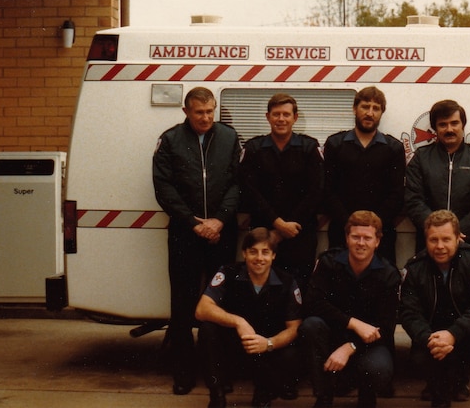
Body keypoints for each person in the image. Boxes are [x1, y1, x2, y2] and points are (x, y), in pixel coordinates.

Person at [152, 86, 242, 396]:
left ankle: (220, 373)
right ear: (186, 112)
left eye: (209, 111)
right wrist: (193, 223)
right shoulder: (171, 140)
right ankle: (184, 373)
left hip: (222, 233)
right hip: (184, 234)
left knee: (222, 304)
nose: (205, 118)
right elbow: (163, 187)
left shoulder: (229, 138)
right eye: (198, 112)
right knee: (183, 305)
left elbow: (236, 183)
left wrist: (219, 219)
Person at [299, 210, 400, 408]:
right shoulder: (328, 263)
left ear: (377, 241)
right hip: (332, 335)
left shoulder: (389, 274)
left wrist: (350, 347)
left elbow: (386, 328)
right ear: (347, 238)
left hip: (368, 343)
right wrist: (352, 322)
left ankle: (367, 394)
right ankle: (324, 395)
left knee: (379, 369)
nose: (361, 243)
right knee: (310, 326)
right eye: (355, 237)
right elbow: (312, 303)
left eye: (367, 238)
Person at [399, 210, 470, 408]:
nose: (440, 246)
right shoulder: (414, 268)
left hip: (464, 335)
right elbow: (408, 313)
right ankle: (439, 394)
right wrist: (431, 339)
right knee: (419, 360)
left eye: (446, 239)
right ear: (426, 240)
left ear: (457, 238)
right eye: (433, 240)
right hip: (432, 339)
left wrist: (453, 334)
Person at [195, 227, 302, 408]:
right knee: (207, 330)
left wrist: (269, 344)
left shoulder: (287, 281)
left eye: (265, 252)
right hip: (236, 345)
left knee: (291, 353)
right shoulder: (228, 272)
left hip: (266, 348)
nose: (259, 258)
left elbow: (294, 328)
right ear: (244, 253)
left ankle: (263, 394)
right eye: (253, 252)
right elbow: (201, 310)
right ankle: (217, 396)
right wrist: (239, 322)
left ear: (273, 256)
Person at [240, 93, 323, 291]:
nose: (281, 119)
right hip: (264, 232)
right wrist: (277, 224)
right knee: (263, 287)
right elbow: (249, 191)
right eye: (276, 114)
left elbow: (316, 191)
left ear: (295, 117)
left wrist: (285, 229)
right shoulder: (254, 148)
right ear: (267, 116)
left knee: (299, 288)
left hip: (300, 233)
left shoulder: (309, 147)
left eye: (286, 114)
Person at [323, 86, 406, 263]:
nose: (370, 113)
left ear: (381, 113)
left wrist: (373, 226)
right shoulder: (335, 144)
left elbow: (397, 193)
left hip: (381, 234)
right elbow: (327, 190)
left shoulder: (394, 148)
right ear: (354, 108)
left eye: (376, 108)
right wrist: (349, 224)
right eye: (365, 106)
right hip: (342, 231)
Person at [405, 99, 470, 251]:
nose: (449, 129)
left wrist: (458, 233)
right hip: (429, 241)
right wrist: (437, 232)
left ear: (462, 125)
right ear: (435, 128)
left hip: (466, 241)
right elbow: (413, 200)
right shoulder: (421, 158)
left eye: (454, 123)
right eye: (443, 124)